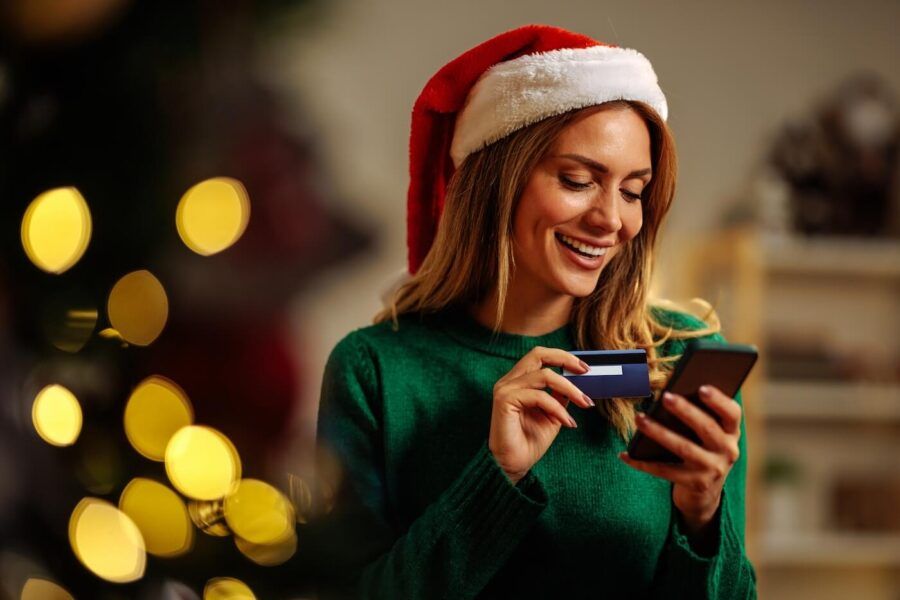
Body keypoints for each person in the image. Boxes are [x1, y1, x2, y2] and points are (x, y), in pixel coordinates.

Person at [311, 24, 757, 599]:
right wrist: (497, 478)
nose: (611, 220)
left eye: (632, 190)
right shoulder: (375, 372)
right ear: (497, 182)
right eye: (578, 181)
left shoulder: (682, 361)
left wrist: (702, 515)